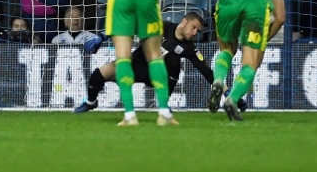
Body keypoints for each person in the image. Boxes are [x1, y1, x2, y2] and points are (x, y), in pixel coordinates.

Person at [74, 11, 249, 112]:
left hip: (156, 76)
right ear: (183, 22)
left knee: (173, 59)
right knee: (97, 76)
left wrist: (229, 94)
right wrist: (102, 37)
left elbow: (207, 72)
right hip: (135, 65)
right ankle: (91, 102)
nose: (195, 32)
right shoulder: (162, 27)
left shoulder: (189, 48)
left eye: (197, 30)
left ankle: (163, 104)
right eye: (193, 27)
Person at [199, 0, 286, 121]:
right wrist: (263, 40)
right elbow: (280, 17)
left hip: (229, 1)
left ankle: (218, 81)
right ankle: (232, 99)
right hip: (256, 6)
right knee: (250, 63)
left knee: (226, 50)